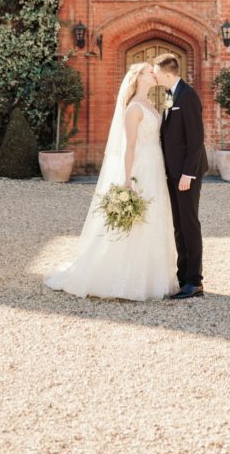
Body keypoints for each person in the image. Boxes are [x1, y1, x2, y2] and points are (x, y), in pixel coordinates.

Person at [43, 62, 180, 301]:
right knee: (137, 220)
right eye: (150, 71)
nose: (154, 74)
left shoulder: (150, 103)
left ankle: (152, 277)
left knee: (155, 216)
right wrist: (127, 179)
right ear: (138, 77)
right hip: (142, 167)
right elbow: (128, 148)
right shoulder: (133, 109)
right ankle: (124, 278)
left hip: (155, 167)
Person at [153, 53, 208, 299]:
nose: (153, 76)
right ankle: (182, 276)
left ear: (167, 72)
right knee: (178, 226)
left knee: (189, 224)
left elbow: (196, 141)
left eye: (155, 72)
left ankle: (195, 282)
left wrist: (188, 174)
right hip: (172, 172)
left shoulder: (188, 96)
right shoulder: (168, 95)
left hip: (187, 173)